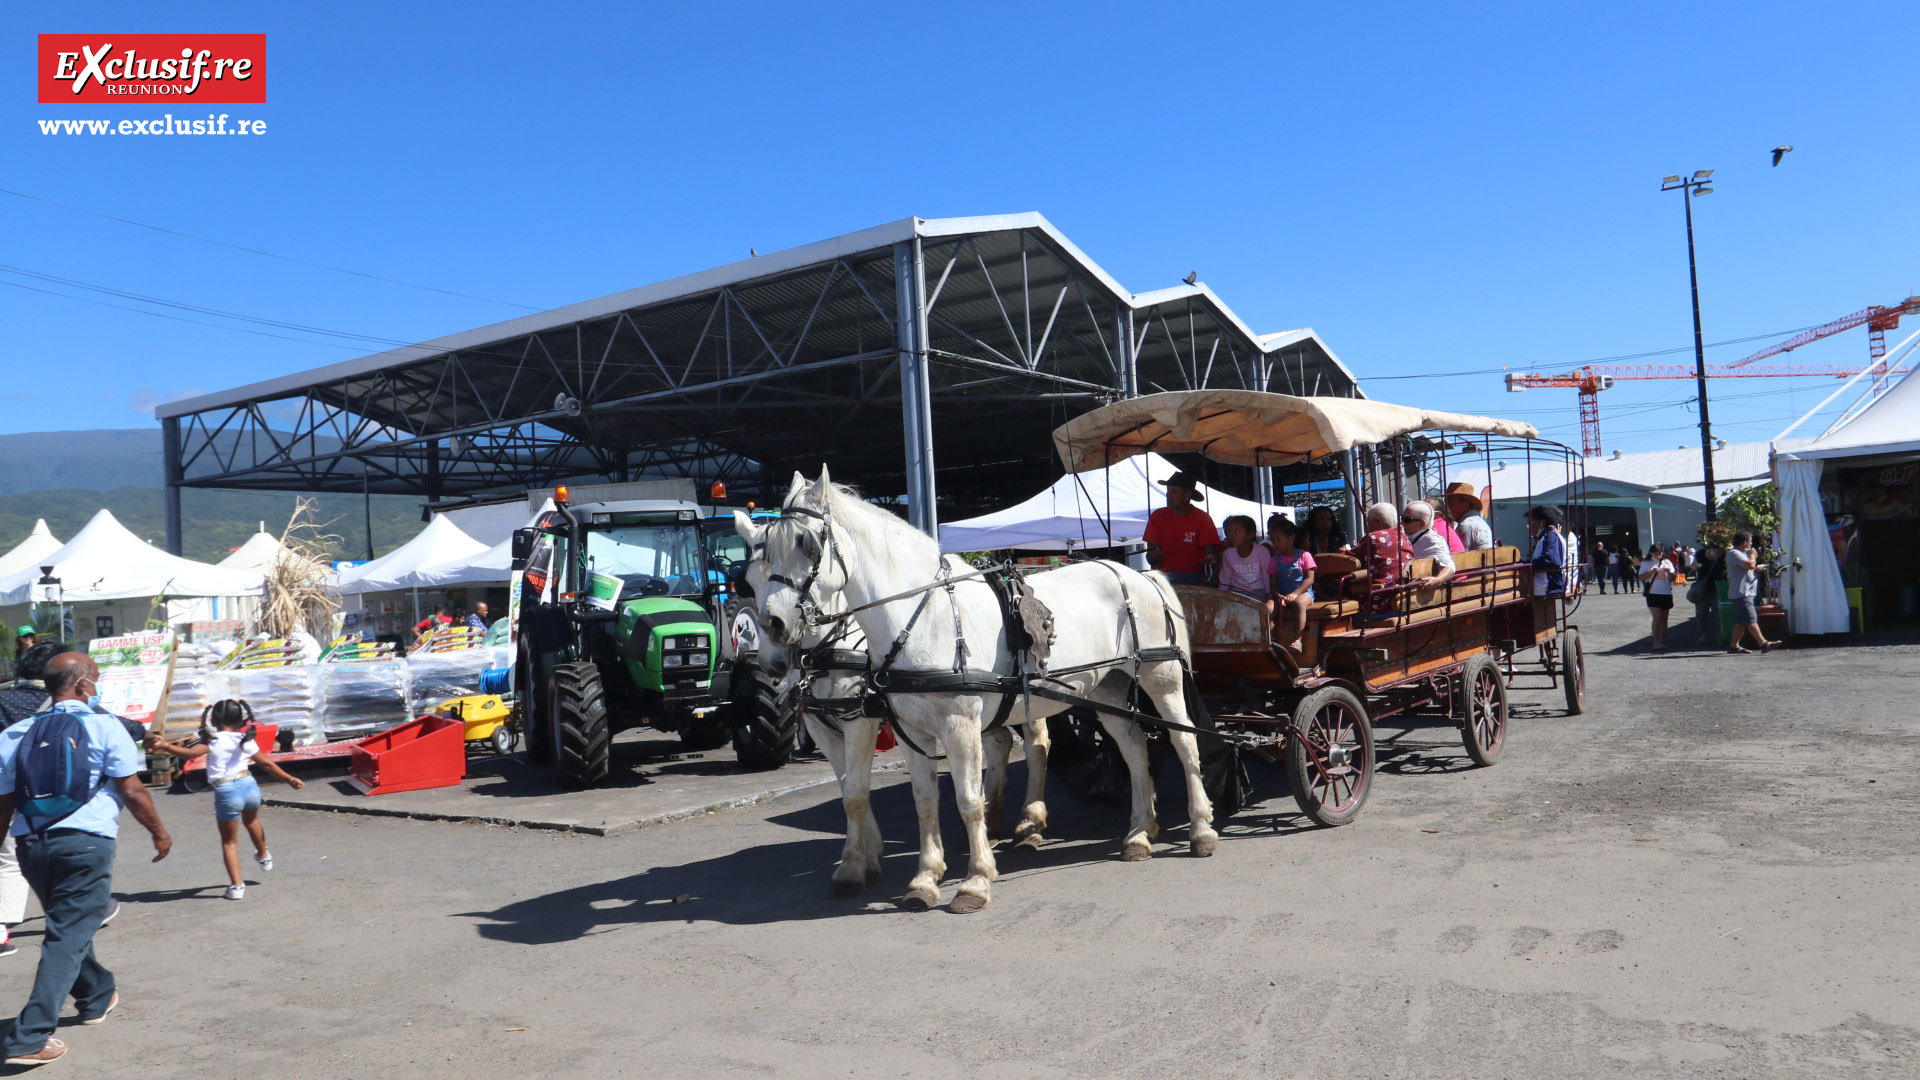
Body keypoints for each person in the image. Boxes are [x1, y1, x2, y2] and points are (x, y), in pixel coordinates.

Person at [0, 652, 172, 1068]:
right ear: (81, 686)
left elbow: (4, 800)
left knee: (69, 924)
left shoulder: (16, 733)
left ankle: (97, 995)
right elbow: (132, 790)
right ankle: (30, 1035)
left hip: (32, 845)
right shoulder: (103, 725)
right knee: (68, 932)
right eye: (95, 678)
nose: (98, 686)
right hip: (86, 844)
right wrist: (159, 833)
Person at [151, 700, 305, 901]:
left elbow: (189, 754)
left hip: (226, 790)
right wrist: (290, 779)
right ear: (241, 720)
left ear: (213, 721)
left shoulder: (214, 739)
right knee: (252, 821)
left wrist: (165, 745)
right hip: (249, 784)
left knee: (229, 842)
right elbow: (266, 764)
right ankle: (264, 855)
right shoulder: (245, 738)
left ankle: (237, 887)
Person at [0, 643, 68, 956]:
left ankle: (1, 928)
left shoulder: (3, 698)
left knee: (9, 857)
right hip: (60, 792)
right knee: (69, 850)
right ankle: (76, 911)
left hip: (7, 788)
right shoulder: (67, 700)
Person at [1142, 472, 1220, 586]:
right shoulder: (1158, 516)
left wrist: (1212, 558)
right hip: (1163, 578)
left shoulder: (1203, 519)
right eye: (1168, 490)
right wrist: (1153, 554)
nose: (1168, 495)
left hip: (1195, 579)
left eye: (1173, 491)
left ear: (1187, 495)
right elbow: (1151, 555)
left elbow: (1211, 555)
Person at [1348, 502, 1412, 617]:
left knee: (1333, 589)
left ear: (1375, 523)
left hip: (1379, 604)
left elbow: (1349, 559)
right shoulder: (1404, 537)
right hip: (1402, 600)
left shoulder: (1374, 537)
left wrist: (1343, 550)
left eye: (1368, 521)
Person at [1725, 531, 1777, 654]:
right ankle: (1763, 643)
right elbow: (1749, 564)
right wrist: (1753, 556)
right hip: (1742, 592)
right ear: (1745, 542)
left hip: (1746, 591)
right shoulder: (1734, 553)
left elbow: (1748, 567)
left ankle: (1734, 646)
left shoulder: (1741, 554)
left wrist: (1756, 568)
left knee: (1741, 621)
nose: (1751, 544)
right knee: (1750, 618)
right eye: (1750, 541)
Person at [1268, 517, 1317, 647]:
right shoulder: (1274, 560)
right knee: (1268, 607)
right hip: (1282, 595)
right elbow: (1273, 583)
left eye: (1279, 539)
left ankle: (1298, 639)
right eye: (1273, 540)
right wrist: (1277, 595)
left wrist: (1295, 594)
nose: (1275, 544)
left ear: (1291, 538)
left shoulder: (1304, 556)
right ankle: (1270, 639)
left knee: (1299, 603)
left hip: (1303, 593)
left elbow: (1309, 579)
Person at [1401, 501, 1456, 590]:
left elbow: (1450, 566)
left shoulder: (1432, 539)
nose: (1402, 522)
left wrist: (1437, 580)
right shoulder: (1410, 535)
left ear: (1422, 523)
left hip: (1419, 593)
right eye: (1402, 518)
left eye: (1407, 520)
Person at [1216, 516, 1271, 601]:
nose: (1232, 535)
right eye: (1229, 532)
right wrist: (1220, 597)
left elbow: (1267, 577)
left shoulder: (1262, 552)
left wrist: (1270, 596)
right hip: (1237, 592)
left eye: (1237, 532)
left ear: (1250, 535)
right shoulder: (1228, 554)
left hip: (1258, 592)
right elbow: (1225, 580)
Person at [1639, 544, 1677, 651]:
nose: (1659, 555)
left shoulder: (1667, 562)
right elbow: (1640, 577)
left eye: (1660, 553)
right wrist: (1651, 572)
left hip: (1666, 593)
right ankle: (1656, 642)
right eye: (1656, 553)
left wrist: (1669, 571)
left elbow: (1674, 578)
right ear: (1651, 553)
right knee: (1657, 618)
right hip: (1652, 593)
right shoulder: (1646, 563)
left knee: (1664, 619)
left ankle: (1662, 641)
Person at [1527, 505, 1568, 596]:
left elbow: (1550, 560)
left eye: (1533, 524)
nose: (1530, 528)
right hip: (1543, 585)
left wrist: (1527, 565)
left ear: (1543, 523)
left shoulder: (1551, 537)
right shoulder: (1545, 537)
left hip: (1547, 586)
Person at [1441, 482, 1494, 552]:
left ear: (1465, 506)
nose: (1447, 509)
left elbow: (1458, 556)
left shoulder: (1465, 525)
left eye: (1450, 505)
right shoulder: (1478, 521)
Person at [1692, 541, 1725, 649]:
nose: (1718, 552)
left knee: (1718, 614)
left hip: (1717, 589)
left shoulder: (1722, 556)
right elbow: (1692, 567)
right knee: (1701, 614)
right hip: (1702, 589)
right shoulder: (1701, 554)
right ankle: (1704, 634)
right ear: (1710, 548)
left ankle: (1719, 635)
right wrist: (1698, 566)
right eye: (1716, 550)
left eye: (1719, 551)